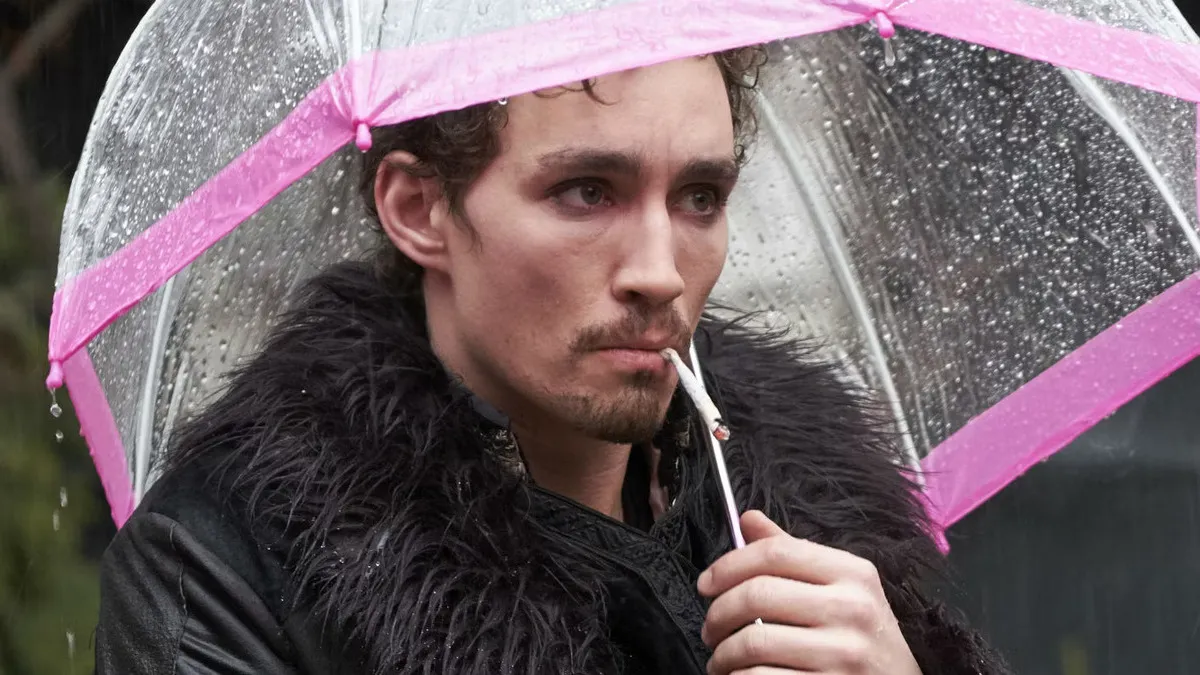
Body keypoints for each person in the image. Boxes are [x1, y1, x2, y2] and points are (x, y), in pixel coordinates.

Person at [94, 46, 1008, 674]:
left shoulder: (806, 528)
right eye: (586, 191)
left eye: (699, 196)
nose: (659, 273)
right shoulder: (231, 562)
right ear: (420, 209)